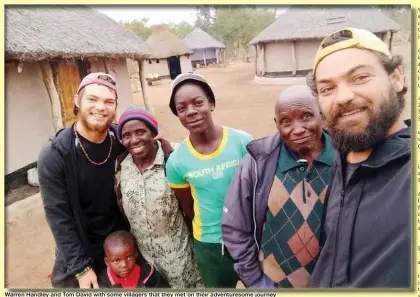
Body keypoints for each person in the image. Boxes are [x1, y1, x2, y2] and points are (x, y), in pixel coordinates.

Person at [305, 27, 411, 288]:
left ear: (396, 78)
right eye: (327, 89)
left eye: (360, 77)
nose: (343, 97)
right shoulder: (343, 157)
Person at [221, 85, 335, 288]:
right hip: (273, 284)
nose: (298, 129)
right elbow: (234, 227)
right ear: (276, 125)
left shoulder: (346, 159)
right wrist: (255, 281)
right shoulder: (257, 163)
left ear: (322, 115)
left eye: (306, 116)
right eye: (286, 122)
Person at [38, 72, 128, 288]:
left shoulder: (121, 140)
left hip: (119, 246)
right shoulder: (56, 154)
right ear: (77, 101)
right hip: (81, 247)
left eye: (109, 102)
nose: (100, 107)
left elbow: (149, 145)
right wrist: (81, 268)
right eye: (92, 99)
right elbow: (59, 217)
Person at [165, 73, 253, 288]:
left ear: (211, 103)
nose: (191, 112)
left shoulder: (242, 142)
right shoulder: (176, 162)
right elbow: (188, 208)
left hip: (250, 237)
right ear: (177, 114)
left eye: (198, 103)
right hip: (210, 247)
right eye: (182, 108)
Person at [113, 106, 203, 288]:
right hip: (145, 267)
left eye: (140, 132)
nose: (134, 140)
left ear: (153, 132)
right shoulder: (121, 166)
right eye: (127, 135)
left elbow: (193, 207)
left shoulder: (173, 161)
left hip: (181, 263)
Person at [98, 230, 170, 288]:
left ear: (136, 254)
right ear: (107, 262)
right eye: (116, 261)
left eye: (129, 257)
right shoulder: (103, 282)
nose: (124, 264)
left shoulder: (147, 273)